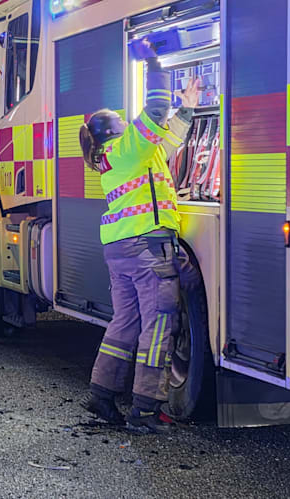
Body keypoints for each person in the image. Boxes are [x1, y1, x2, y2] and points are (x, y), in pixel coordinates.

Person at [78, 38, 200, 434]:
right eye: (120, 116)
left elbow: (168, 138)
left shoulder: (119, 155)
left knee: (125, 324)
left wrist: (190, 106)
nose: (128, 119)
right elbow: (156, 109)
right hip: (147, 246)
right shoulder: (129, 146)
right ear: (114, 128)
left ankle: (102, 393)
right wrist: (153, 61)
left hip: (122, 249)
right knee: (159, 325)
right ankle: (146, 408)